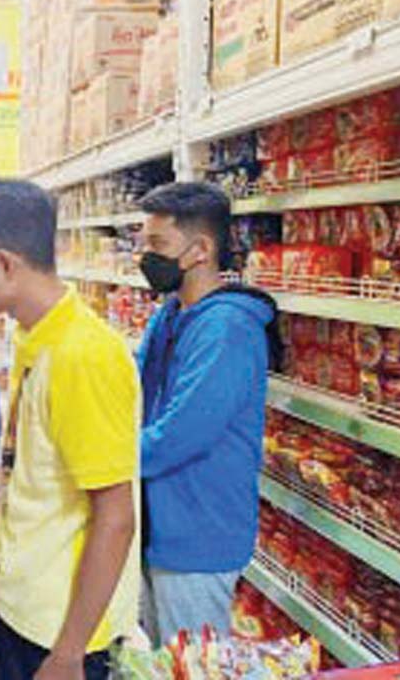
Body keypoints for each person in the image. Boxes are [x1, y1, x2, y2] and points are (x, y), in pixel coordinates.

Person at [0, 179, 140, 680]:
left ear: (4, 263)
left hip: (62, 633)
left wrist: (69, 653)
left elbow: (115, 517)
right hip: (27, 607)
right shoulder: (37, 335)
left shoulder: (84, 356)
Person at [135, 182, 279, 645]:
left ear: (200, 250)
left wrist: (98, 456)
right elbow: (133, 388)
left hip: (199, 537)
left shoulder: (228, 328)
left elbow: (181, 435)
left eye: (158, 244)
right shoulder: (172, 313)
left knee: (189, 665)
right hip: (161, 529)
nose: (145, 256)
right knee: (155, 666)